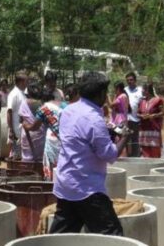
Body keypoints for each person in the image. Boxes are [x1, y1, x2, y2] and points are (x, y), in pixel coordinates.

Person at [50, 72, 129, 235]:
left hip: (66, 185)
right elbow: (110, 155)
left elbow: (78, 138)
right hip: (88, 189)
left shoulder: (68, 111)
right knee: (113, 238)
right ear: (100, 94)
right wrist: (125, 137)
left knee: (59, 241)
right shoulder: (94, 118)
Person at [35, 83, 73, 181]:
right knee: (62, 164)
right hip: (65, 139)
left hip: (52, 139)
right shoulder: (63, 106)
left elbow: (35, 126)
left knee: (50, 162)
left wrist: (26, 126)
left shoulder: (43, 108)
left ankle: (50, 183)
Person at [137, 82, 164, 158]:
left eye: (143, 89)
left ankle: (155, 168)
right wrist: (142, 116)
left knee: (154, 151)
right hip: (144, 130)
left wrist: (152, 116)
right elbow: (137, 113)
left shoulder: (158, 100)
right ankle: (147, 168)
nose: (142, 91)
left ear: (147, 90)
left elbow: (162, 113)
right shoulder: (141, 101)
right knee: (145, 151)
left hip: (154, 130)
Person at [6, 73, 28, 160]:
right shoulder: (13, 94)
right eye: (26, 81)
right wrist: (11, 130)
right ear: (21, 82)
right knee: (16, 156)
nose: (27, 83)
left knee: (21, 155)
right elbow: (9, 112)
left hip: (22, 130)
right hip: (16, 130)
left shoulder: (22, 93)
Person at [124, 71, 144, 157]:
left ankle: (136, 157)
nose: (129, 81)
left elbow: (143, 102)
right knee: (125, 138)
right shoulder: (124, 90)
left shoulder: (140, 90)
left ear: (135, 80)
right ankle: (126, 156)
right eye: (128, 80)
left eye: (131, 80)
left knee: (135, 138)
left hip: (136, 119)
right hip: (125, 119)